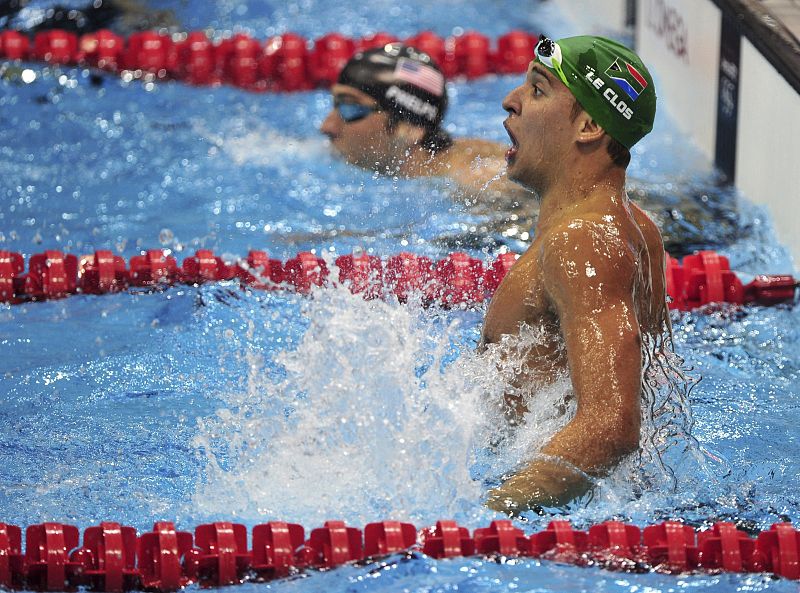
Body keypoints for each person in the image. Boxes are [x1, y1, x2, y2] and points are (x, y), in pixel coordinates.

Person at [481, 35, 669, 514]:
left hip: (543, 515)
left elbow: (610, 425)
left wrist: (489, 515)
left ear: (588, 125)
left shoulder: (583, 240)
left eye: (538, 90)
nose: (511, 100)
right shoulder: (633, 227)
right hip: (583, 504)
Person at [320, 43, 525, 203]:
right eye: (335, 105)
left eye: (351, 108)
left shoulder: (481, 181)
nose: (327, 126)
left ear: (409, 127)